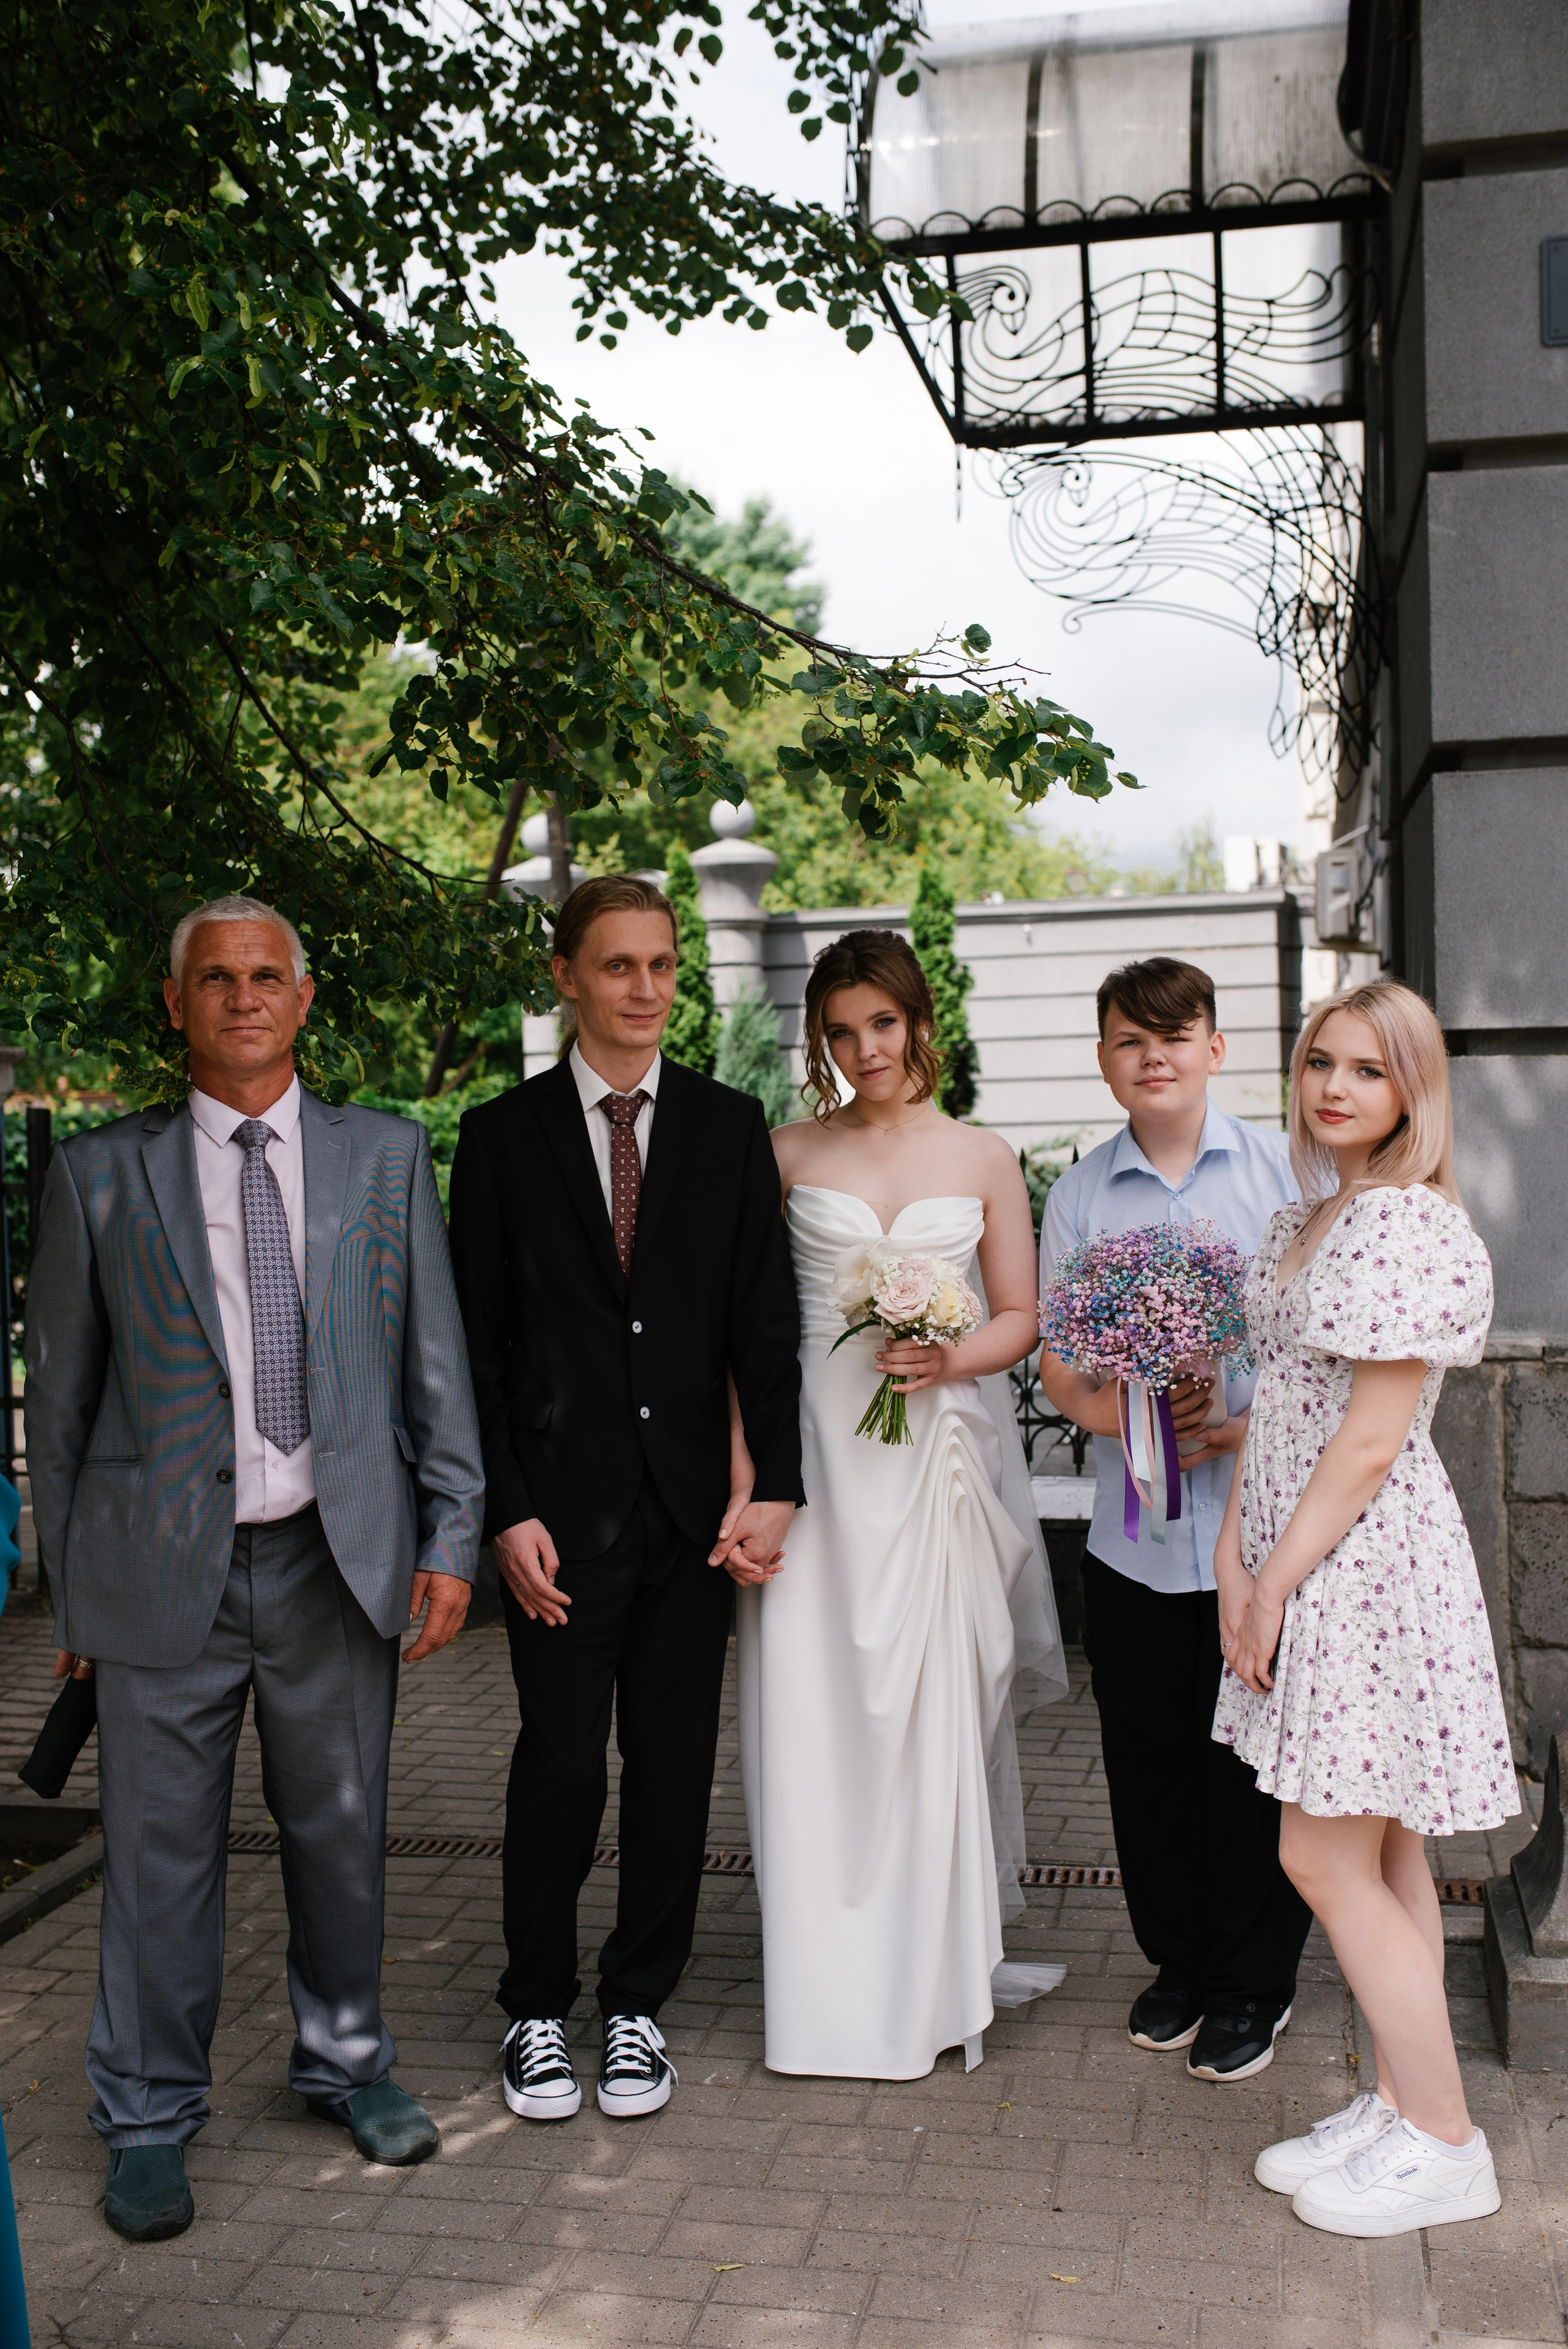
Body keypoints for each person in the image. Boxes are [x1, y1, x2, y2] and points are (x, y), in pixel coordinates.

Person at [24, 895, 483, 2244]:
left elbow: (434, 1368)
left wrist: (451, 1536)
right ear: (176, 1004)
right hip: (161, 1572)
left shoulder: (387, 1157)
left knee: (341, 1833)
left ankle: (346, 2062)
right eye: (214, 978)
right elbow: (59, 1407)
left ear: (302, 995)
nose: (241, 996)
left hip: (334, 1562)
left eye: (264, 975)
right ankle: (149, 2117)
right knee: (159, 1861)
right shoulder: (99, 1175)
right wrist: (74, 1591)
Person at [448, 873, 802, 2125]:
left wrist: (779, 1487)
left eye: (660, 964)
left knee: (669, 1770)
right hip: (557, 1516)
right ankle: (537, 2010)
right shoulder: (500, 1137)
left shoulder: (725, 1124)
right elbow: (475, 1347)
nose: (645, 988)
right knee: (557, 1765)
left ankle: (636, 2003)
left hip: (691, 1515)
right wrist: (505, 1507)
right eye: (618, 966)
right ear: (566, 976)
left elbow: (764, 1324)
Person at [737, 928, 1067, 2080]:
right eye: (840, 1031)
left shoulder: (982, 1155)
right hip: (816, 1469)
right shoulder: (778, 1151)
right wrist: (750, 1477)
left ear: (918, 1022)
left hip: (935, 1463)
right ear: (820, 1041)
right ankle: (824, 1994)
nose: (864, 1048)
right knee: (815, 1713)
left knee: (937, 1709)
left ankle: (929, 1982)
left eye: (882, 1023)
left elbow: (1020, 1314)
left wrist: (952, 1356)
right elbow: (747, 1333)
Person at [1215, 979, 1515, 2236]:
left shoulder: (1403, 1227)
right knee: (1384, 1852)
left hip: (1362, 1565)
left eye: (1367, 1070)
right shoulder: (1308, 1214)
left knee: (1317, 1852)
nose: (1332, 1087)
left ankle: (1446, 2142)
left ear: (1411, 1092)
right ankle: (1404, 2099)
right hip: (1293, 1549)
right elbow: (1274, 1406)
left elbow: (1368, 1440)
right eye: (1317, 1062)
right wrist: (1235, 1558)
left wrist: (1274, 1579)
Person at [1038, 957, 1312, 2083]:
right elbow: (1060, 1368)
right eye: (1129, 1041)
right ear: (1106, 1062)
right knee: (1146, 1761)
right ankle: (1180, 1964)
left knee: (1247, 1771)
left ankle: (1257, 1982)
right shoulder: (1081, 1193)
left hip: (1253, 1536)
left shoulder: (1286, 1171)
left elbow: (1315, 1358)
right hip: (1131, 1541)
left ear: (1214, 1046)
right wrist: (1135, 1410)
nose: (1154, 1056)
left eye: (1175, 1035)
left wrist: (1229, 1431)